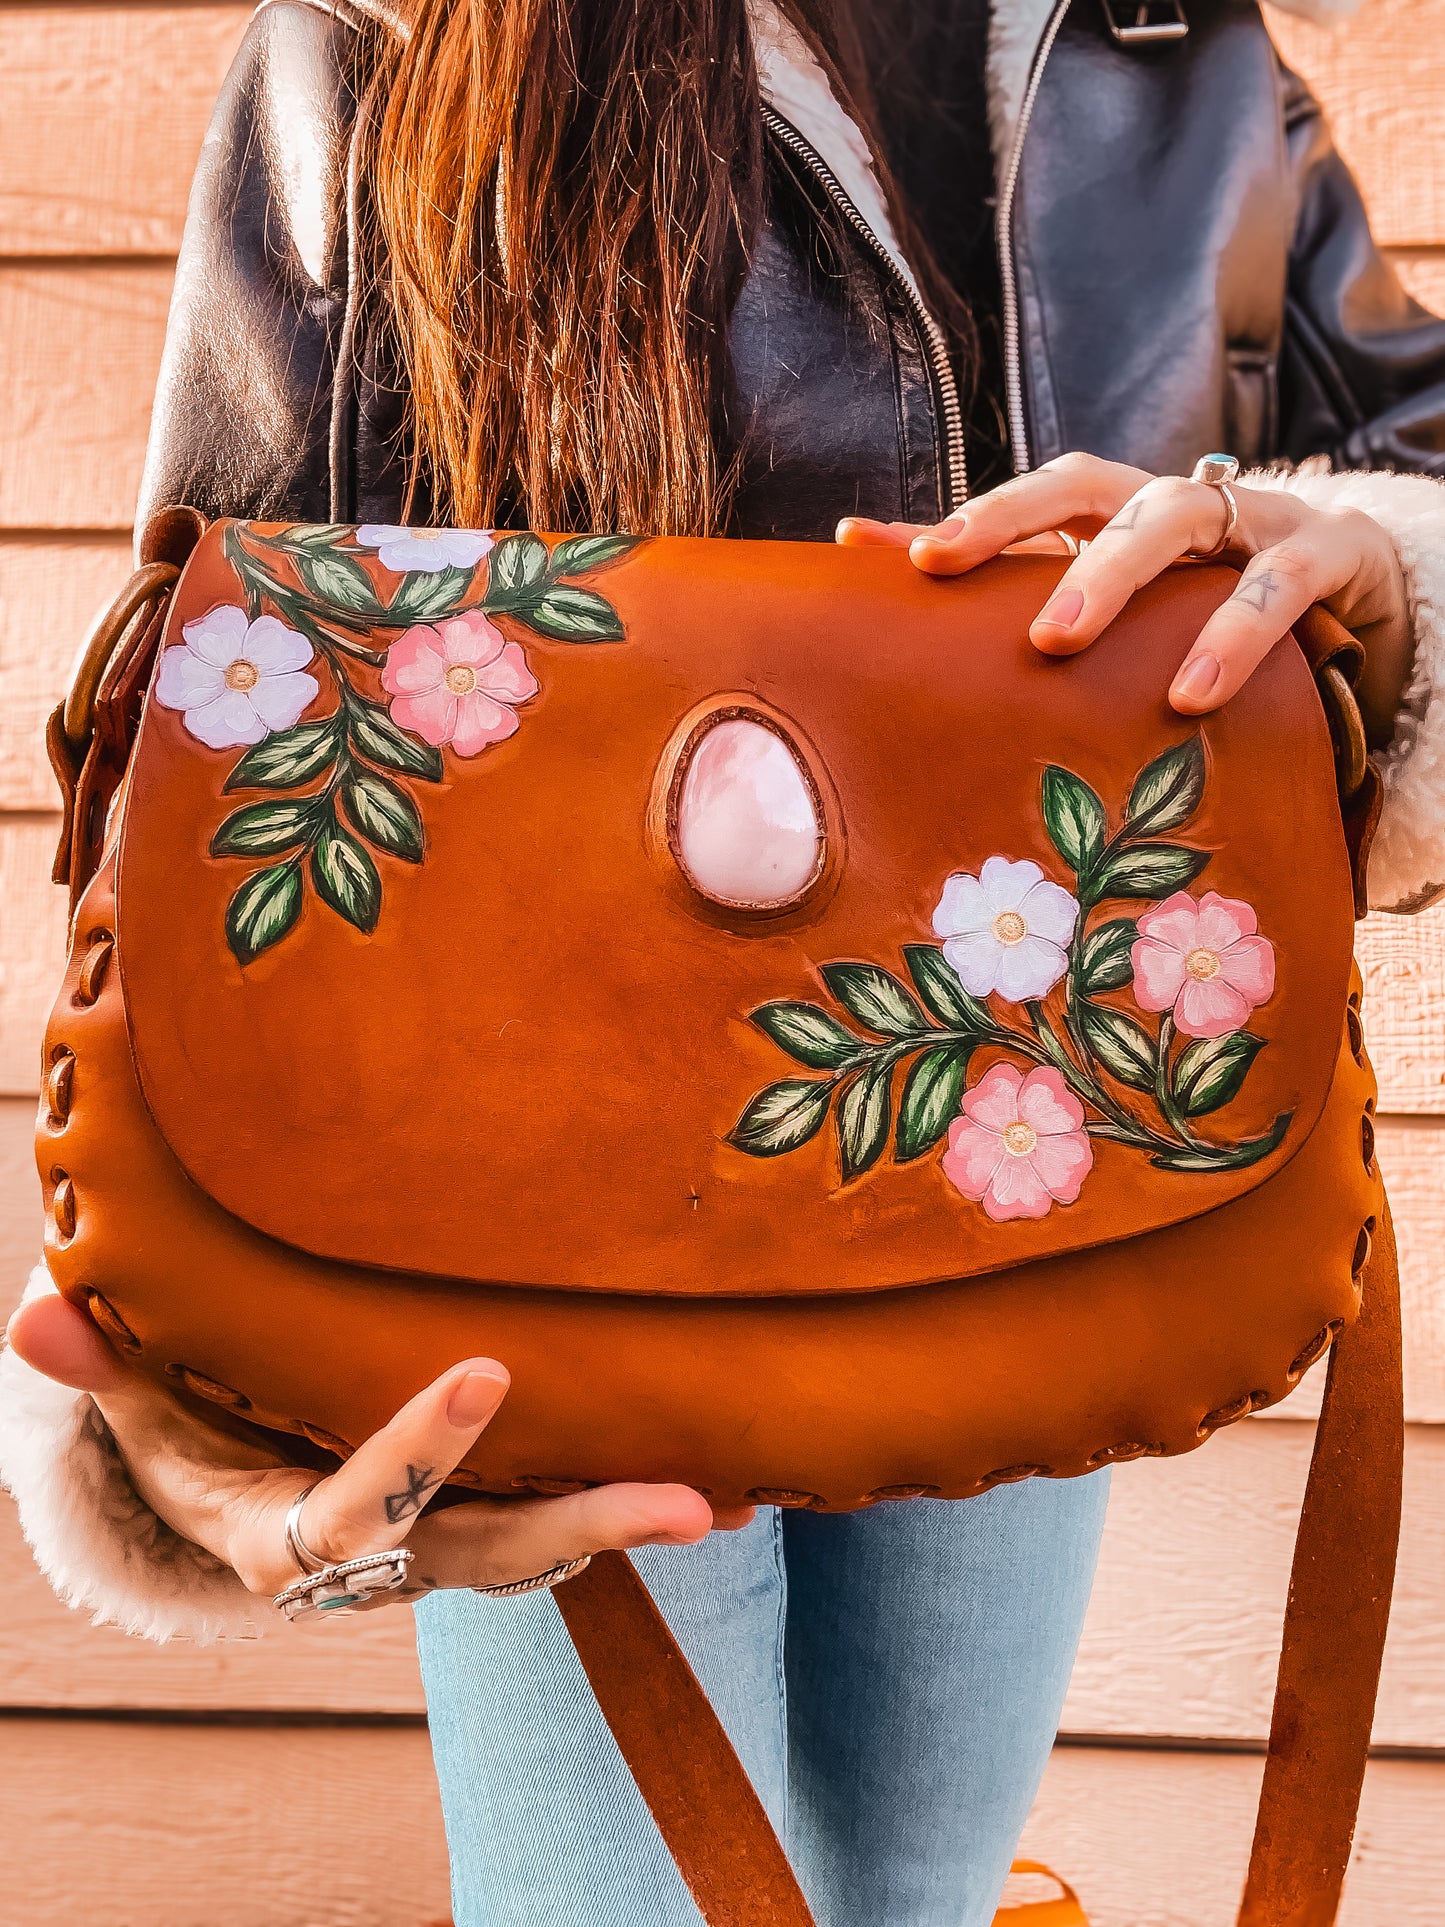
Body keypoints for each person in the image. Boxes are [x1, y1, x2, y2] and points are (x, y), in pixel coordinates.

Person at [4, 1, 1445, 1921]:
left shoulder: (1157, 40)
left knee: (908, 1898)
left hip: (1022, 1153)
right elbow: (216, 733)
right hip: (518, 1221)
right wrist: (169, 1388)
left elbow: (1396, 451)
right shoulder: (376, 40)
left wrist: (1380, 574)